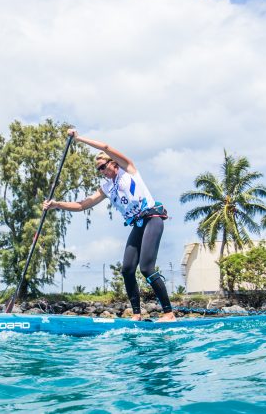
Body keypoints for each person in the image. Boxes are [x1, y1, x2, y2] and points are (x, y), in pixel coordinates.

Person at [43, 128, 176, 322]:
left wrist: (78, 139)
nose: (101, 172)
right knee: (127, 269)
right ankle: (137, 314)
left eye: (103, 167)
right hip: (137, 225)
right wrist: (56, 204)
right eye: (98, 170)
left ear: (112, 163)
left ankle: (169, 313)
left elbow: (105, 146)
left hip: (152, 219)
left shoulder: (128, 170)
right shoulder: (106, 187)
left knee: (146, 268)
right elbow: (83, 205)